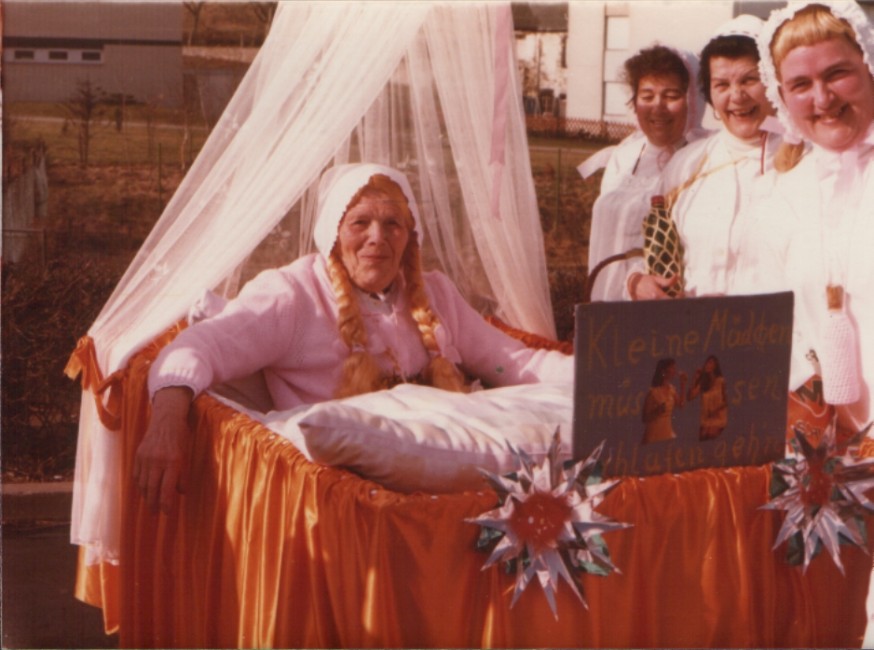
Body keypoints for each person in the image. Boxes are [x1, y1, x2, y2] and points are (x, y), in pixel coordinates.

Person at [135, 163, 574, 513]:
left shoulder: (435, 293)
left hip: (438, 495)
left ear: (410, 237)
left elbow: (518, 362)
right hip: (342, 504)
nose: (377, 239)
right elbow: (198, 347)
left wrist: (598, 377)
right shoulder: (292, 295)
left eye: (392, 224)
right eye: (360, 223)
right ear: (333, 233)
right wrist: (167, 422)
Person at [732, 1, 874, 433]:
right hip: (825, 444)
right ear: (781, 96)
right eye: (800, 84)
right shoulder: (778, 197)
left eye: (837, 73)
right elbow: (767, 329)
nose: (823, 99)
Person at [628, 15, 780, 300]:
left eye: (749, 80)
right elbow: (648, 248)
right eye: (721, 85)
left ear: (774, 81)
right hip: (689, 325)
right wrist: (637, 281)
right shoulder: (686, 164)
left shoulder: (803, 161)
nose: (737, 96)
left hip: (772, 327)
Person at [578, 44, 706, 301]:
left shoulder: (699, 161)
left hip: (661, 305)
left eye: (671, 96)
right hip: (606, 301)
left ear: (691, 101)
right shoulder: (623, 156)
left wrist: (635, 281)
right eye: (647, 96)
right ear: (634, 103)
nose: (658, 107)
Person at [642, 358, 687, 444]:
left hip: (667, 432)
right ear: (663, 371)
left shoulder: (671, 389)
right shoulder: (653, 392)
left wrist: (683, 384)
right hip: (654, 434)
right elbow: (644, 418)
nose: (675, 371)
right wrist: (657, 411)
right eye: (672, 368)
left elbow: (681, 405)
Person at [687, 355, 728, 440]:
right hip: (706, 419)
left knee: (710, 434)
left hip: (718, 417)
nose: (707, 365)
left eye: (710, 363)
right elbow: (690, 397)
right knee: (703, 435)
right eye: (707, 363)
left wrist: (715, 410)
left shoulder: (720, 381)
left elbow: (726, 401)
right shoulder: (703, 383)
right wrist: (694, 379)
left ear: (715, 366)